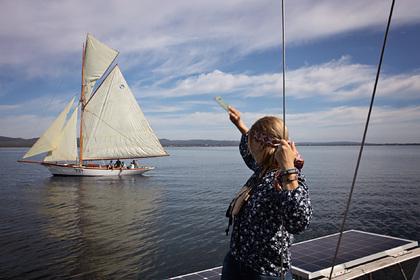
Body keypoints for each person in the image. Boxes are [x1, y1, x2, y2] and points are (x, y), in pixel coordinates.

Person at [221, 107, 312, 280]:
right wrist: (239, 124)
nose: (248, 144)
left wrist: (288, 168)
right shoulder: (262, 170)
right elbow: (248, 154)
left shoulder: (285, 178)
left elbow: (299, 222)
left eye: (252, 140)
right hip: (238, 261)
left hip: (264, 272)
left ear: (262, 144)